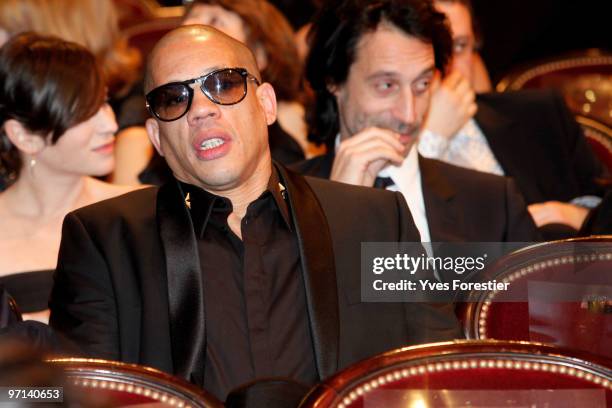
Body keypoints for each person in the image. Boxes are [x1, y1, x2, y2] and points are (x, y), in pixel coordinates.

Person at [49, 25, 460, 403]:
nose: (201, 110)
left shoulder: (374, 221)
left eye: (223, 85)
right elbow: (79, 396)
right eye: (174, 99)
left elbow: (440, 376)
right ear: (156, 136)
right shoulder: (105, 239)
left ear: (266, 103)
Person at [293, 0, 539, 243]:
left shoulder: (493, 202)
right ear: (333, 81)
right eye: (387, 86)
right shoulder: (286, 202)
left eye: (422, 85)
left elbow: (545, 283)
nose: (409, 115)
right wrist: (337, 216)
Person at [419, 0, 606, 236]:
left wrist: (580, 216)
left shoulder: (539, 114)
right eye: (436, 48)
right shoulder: (380, 147)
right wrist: (431, 140)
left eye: (459, 46)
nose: (448, 65)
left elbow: (606, 205)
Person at [0, 33, 135, 323]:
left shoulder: (139, 211)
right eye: (83, 113)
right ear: (24, 136)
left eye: (104, 103)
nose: (110, 125)